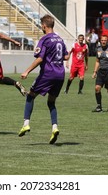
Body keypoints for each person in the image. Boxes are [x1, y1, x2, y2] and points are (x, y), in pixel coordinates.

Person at [18, 14, 69, 144]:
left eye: (41, 25)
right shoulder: (60, 40)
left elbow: (40, 58)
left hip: (48, 74)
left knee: (30, 96)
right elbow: (66, 57)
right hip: (60, 75)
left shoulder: (45, 39)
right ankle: (54, 128)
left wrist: (26, 71)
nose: (41, 27)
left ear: (44, 26)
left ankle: (26, 123)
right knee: (51, 103)